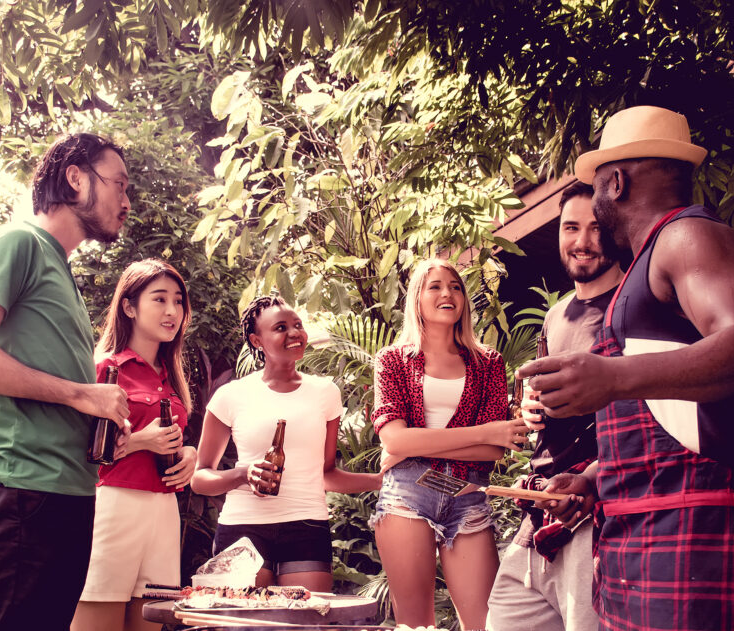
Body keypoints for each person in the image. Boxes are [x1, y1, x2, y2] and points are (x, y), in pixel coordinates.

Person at [518, 105, 734, 631]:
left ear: (616, 182)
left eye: (597, 188)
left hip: (708, 534)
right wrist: (595, 475)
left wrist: (610, 377)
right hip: (653, 537)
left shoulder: (686, 237)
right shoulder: (647, 264)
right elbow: (678, 414)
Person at [0, 133, 133, 631]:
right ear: (75, 177)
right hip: (25, 491)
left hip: (68, 492)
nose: (127, 202)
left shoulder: (59, 267)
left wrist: (96, 420)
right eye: (120, 185)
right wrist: (80, 394)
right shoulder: (17, 241)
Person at [486, 180, 622, 631]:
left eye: (595, 228)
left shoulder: (633, 307)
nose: (581, 242)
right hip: (540, 505)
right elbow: (545, 389)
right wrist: (529, 403)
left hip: (593, 512)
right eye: (570, 227)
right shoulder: (556, 314)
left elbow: (653, 415)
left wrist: (592, 479)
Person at [370, 259, 530, 631]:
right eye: (436, 286)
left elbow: (495, 451)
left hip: (468, 494)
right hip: (406, 495)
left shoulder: (488, 362)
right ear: (417, 299)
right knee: (415, 626)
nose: (448, 293)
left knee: (487, 624)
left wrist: (412, 444)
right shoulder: (392, 360)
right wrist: (485, 431)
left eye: (456, 287)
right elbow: (392, 437)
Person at [191, 294, 381, 592]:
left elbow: (326, 473)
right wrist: (243, 473)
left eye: (297, 325)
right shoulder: (232, 395)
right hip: (243, 527)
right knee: (245, 625)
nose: (294, 333)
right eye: (280, 328)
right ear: (257, 341)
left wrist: (383, 480)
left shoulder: (325, 393)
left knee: (305, 621)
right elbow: (200, 478)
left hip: (306, 525)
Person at [71, 259, 198, 631]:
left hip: (163, 510)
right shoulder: (103, 368)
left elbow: (174, 442)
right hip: (113, 505)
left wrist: (188, 455)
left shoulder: (171, 375)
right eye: (159, 299)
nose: (172, 311)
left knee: (152, 619)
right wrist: (142, 441)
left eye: (178, 301)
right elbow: (78, 451)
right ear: (129, 306)